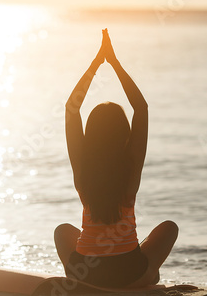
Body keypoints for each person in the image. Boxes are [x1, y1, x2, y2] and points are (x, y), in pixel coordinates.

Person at [54, 29, 178, 289]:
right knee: (169, 228)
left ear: (91, 135)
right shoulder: (130, 169)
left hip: (84, 275)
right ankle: (145, 276)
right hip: (130, 274)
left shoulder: (82, 171)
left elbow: (71, 108)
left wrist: (97, 63)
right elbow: (141, 108)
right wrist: (115, 63)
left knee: (62, 231)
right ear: (124, 135)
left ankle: (83, 278)